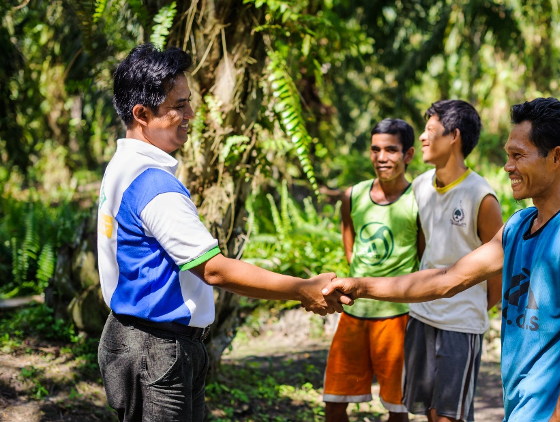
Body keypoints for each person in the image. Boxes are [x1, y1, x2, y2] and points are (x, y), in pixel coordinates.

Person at [323, 97, 560, 421]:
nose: (508, 167)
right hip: (522, 409)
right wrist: (361, 286)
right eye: (508, 156)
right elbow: (448, 279)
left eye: (518, 156)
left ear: (557, 157)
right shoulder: (519, 226)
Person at [96, 44, 348, 422]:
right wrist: (303, 288)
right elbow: (213, 270)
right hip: (158, 349)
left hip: (139, 341)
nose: (190, 115)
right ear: (142, 114)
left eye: (189, 102)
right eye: (178, 106)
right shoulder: (154, 186)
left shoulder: (121, 166)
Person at [401, 99, 504, 422]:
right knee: (430, 412)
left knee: (451, 416)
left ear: (454, 136)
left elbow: (497, 265)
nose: (421, 138)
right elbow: (423, 246)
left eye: (430, 130)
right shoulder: (419, 186)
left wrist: (471, 306)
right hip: (421, 314)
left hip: (461, 323)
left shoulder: (481, 196)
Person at [323, 118, 420, 422]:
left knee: (397, 408)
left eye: (391, 150)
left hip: (397, 317)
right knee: (334, 403)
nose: (381, 157)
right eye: (375, 149)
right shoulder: (353, 196)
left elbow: (423, 251)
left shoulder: (420, 199)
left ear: (408, 155)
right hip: (354, 314)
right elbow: (350, 246)